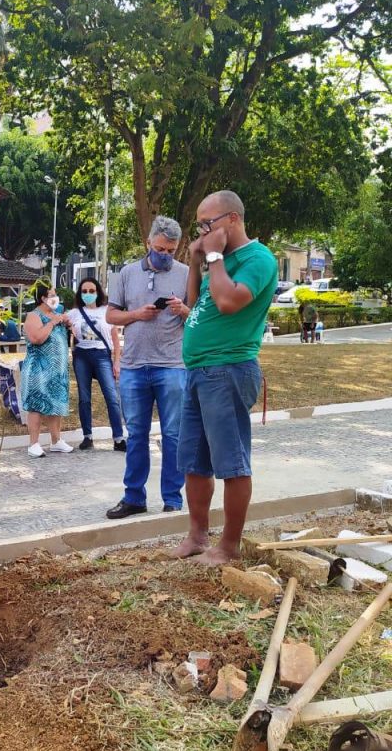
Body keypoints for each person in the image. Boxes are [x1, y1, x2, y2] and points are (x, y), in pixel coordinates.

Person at [171, 190, 278, 565]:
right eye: (199, 225)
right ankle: (197, 535)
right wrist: (195, 262)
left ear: (232, 219)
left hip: (228, 369)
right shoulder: (220, 260)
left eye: (208, 223)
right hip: (199, 370)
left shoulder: (257, 258)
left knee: (231, 462)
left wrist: (214, 256)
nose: (202, 231)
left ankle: (228, 547)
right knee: (194, 461)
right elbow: (197, 302)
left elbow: (228, 301)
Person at [105, 216, 190, 516]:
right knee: (136, 433)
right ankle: (134, 497)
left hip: (172, 366)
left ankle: (173, 498)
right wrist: (136, 315)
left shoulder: (187, 274)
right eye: (159, 248)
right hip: (133, 366)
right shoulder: (126, 274)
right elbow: (110, 316)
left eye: (171, 250)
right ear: (148, 243)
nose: (164, 255)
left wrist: (184, 310)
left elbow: (200, 319)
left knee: (173, 434)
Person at [66, 277, 125, 452]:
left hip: (102, 355)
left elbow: (115, 339)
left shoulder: (106, 311)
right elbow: (59, 321)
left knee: (111, 396)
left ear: (98, 292)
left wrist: (116, 362)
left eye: (91, 291)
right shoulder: (74, 313)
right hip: (82, 355)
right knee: (84, 398)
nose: (88, 294)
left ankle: (119, 438)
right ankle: (87, 437)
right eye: (84, 291)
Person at [21, 282, 73, 458]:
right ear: (43, 298)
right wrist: (52, 322)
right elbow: (36, 338)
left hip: (57, 370)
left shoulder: (57, 315)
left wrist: (67, 324)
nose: (55, 298)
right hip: (38, 369)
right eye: (51, 295)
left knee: (56, 403)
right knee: (36, 404)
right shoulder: (34, 316)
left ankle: (56, 440)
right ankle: (33, 443)